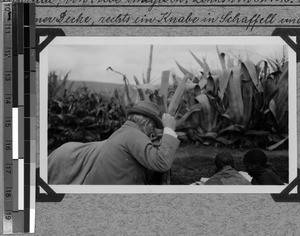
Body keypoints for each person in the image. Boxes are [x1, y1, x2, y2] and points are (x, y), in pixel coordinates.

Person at [81, 101, 180, 185]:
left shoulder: (122, 132)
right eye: (153, 127)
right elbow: (161, 162)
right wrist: (169, 128)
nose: (153, 132)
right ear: (147, 124)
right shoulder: (134, 134)